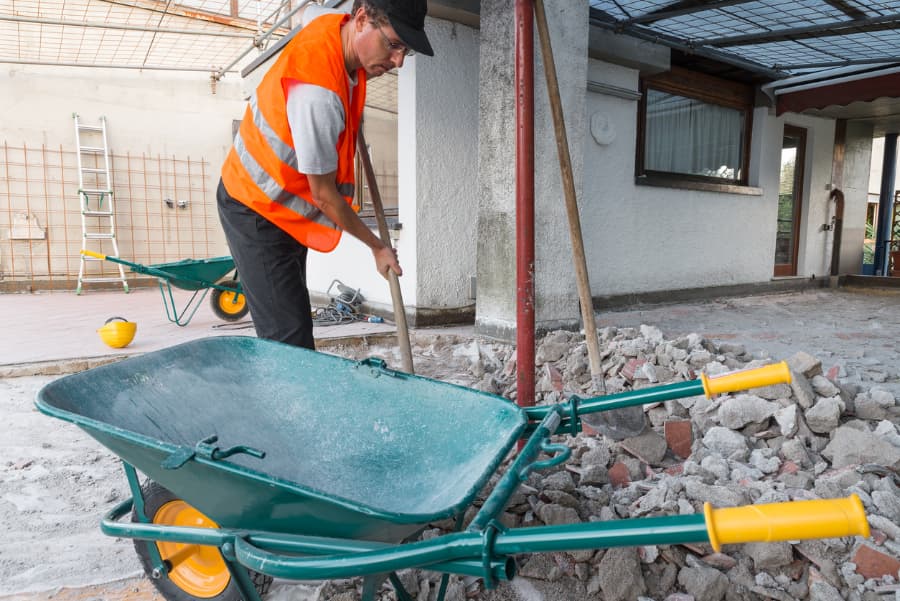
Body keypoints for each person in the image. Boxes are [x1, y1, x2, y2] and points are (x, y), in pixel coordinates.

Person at [217, 0, 433, 349]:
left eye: (404, 50)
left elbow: (308, 13)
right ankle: (289, 399)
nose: (397, 62)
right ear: (361, 19)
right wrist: (378, 247)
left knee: (292, 314)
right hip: (254, 205)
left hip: (284, 205)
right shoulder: (317, 95)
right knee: (288, 338)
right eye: (393, 45)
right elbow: (324, 196)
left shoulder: (335, 23)